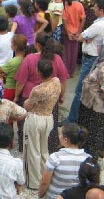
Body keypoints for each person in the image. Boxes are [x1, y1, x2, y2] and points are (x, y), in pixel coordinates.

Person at [14, 32, 68, 153]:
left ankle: (26, 147)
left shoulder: (29, 58)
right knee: (50, 123)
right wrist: (61, 96)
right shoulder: (57, 59)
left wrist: (17, 96)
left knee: (26, 123)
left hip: (29, 97)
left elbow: (21, 81)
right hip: (50, 98)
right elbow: (63, 80)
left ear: (37, 45)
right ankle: (48, 147)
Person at [23, 59, 61, 190]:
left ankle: (33, 182)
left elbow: (28, 104)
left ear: (39, 72)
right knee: (44, 149)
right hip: (48, 117)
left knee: (32, 150)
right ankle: (46, 175)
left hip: (36, 119)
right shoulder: (56, 82)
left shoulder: (38, 89)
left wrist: (25, 103)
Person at [67, 0, 104, 124]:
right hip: (95, 58)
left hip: (91, 59)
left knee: (79, 91)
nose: (93, 8)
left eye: (95, 7)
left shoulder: (98, 25)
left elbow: (81, 37)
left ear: (101, 10)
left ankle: (72, 120)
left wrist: (84, 37)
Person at [38, 123, 91, 198]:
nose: (58, 136)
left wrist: (40, 194)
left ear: (65, 139)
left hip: (55, 196)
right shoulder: (88, 159)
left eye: (60, 134)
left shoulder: (55, 157)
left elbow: (44, 182)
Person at [79, 39, 104, 160]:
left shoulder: (103, 67)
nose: (98, 48)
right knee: (86, 132)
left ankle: (90, 160)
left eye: (100, 46)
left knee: (93, 136)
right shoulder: (99, 61)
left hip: (97, 108)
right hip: (89, 105)